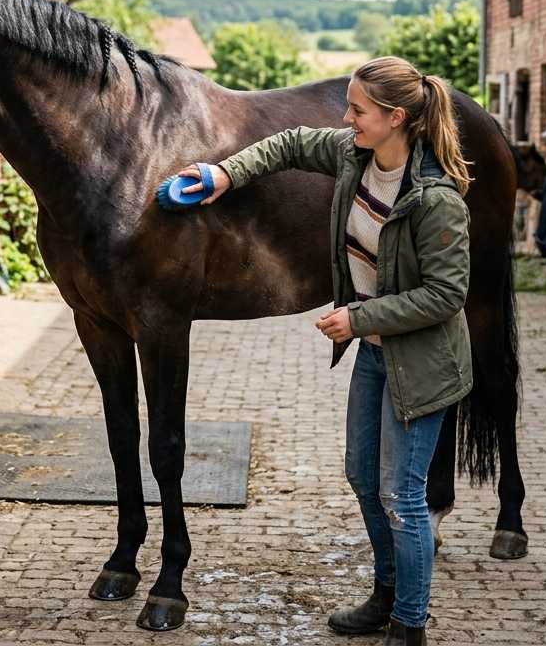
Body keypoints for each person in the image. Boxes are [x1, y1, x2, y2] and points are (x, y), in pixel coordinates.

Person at [176, 56, 474, 646]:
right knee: (363, 477)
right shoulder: (353, 155)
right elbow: (287, 144)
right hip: (375, 353)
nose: (347, 118)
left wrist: (359, 316)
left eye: (358, 110)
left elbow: (446, 294)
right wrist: (224, 175)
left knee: (403, 496)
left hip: (423, 364)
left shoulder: (438, 200)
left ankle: (410, 624)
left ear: (395, 118)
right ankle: (384, 597)